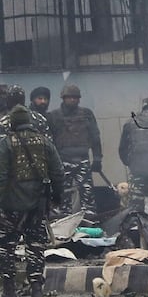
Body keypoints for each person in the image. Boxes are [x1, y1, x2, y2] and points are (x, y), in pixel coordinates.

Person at [0, 106, 65, 297]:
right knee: (36, 248)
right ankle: (37, 293)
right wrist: (56, 198)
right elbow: (58, 173)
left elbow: (1, 176)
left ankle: (10, 293)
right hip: (38, 206)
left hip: (10, 207)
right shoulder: (45, 142)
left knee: (5, 248)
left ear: (12, 123)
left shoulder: (5, 144)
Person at [47, 84, 102, 217]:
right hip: (62, 161)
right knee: (62, 197)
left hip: (82, 159)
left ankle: (90, 224)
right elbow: (49, 141)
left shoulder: (87, 114)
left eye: (75, 97)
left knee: (87, 197)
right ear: (63, 98)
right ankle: (62, 225)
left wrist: (97, 159)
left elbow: (95, 137)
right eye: (69, 97)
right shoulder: (53, 116)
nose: (72, 100)